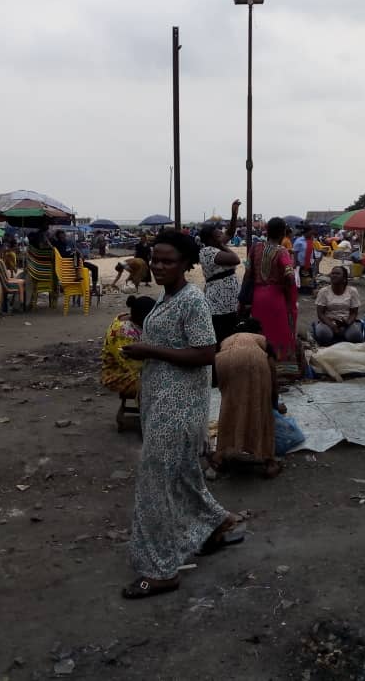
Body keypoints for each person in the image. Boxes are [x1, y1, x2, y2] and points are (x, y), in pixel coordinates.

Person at [120, 231, 241, 598]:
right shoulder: (166, 296)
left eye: (167, 261)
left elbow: (206, 353)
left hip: (179, 407)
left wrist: (149, 351)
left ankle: (160, 570)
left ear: (186, 264)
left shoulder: (192, 301)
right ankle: (215, 525)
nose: (158, 266)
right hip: (162, 400)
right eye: (155, 259)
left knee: (155, 484)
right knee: (185, 474)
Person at [212, 318, 283, 478]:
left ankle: (219, 457)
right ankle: (269, 462)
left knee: (229, 406)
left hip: (222, 360)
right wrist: (273, 406)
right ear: (257, 331)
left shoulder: (228, 339)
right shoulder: (261, 341)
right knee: (261, 407)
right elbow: (273, 383)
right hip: (253, 359)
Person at [246, 217, 298, 362]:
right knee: (278, 332)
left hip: (257, 297)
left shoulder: (255, 248)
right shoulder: (282, 251)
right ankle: (281, 367)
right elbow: (290, 276)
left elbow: (247, 275)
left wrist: (243, 299)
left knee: (260, 332)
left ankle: (259, 363)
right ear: (283, 233)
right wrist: (287, 291)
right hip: (275, 298)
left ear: (267, 231)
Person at [199, 200, 242, 346]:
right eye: (218, 234)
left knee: (230, 331)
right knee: (222, 333)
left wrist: (234, 214)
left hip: (228, 299)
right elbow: (235, 259)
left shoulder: (216, 245)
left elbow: (230, 232)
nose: (221, 235)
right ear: (211, 238)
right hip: (218, 301)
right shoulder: (207, 252)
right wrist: (221, 244)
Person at [101, 295, 157, 397]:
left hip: (130, 370)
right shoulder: (123, 333)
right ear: (143, 318)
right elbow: (134, 366)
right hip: (119, 376)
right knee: (163, 387)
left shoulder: (131, 318)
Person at [314, 266, 363, 345]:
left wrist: (347, 323)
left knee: (356, 336)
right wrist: (332, 326)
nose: (334, 275)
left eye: (337, 273)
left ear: (344, 278)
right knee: (323, 334)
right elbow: (320, 314)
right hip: (328, 322)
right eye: (333, 273)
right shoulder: (323, 292)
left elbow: (354, 313)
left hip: (346, 322)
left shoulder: (352, 291)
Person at [293, 225, 320, 296]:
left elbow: (313, 251)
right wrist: (295, 262)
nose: (312, 234)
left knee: (309, 277)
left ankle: (308, 291)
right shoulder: (299, 241)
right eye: (310, 232)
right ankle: (300, 291)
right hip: (300, 263)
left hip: (309, 262)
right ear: (306, 232)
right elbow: (295, 252)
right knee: (300, 277)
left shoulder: (311, 240)